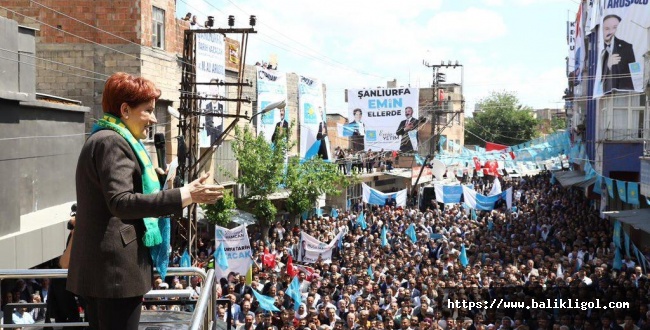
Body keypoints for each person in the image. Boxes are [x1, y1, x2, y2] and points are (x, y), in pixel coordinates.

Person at [66, 72, 224, 330]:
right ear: (125, 109)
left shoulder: (105, 138)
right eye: (148, 110)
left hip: (105, 272)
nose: (153, 118)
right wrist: (186, 194)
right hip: (114, 273)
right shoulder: (111, 142)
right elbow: (120, 202)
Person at [600, 14, 635, 93]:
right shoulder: (601, 52)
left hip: (624, 94)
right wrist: (608, 65)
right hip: (606, 95)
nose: (611, 31)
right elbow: (599, 80)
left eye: (615, 27)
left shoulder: (627, 47)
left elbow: (634, 72)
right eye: (607, 28)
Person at [204, 78, 224, 145]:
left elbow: (221, 124)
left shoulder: (221, 106)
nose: (213, 91)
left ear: (218, 89)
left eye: (215, 88)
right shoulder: (207, 106)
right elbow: (207, 123)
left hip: (219, 135)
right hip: (210, 136)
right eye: (211, 88)